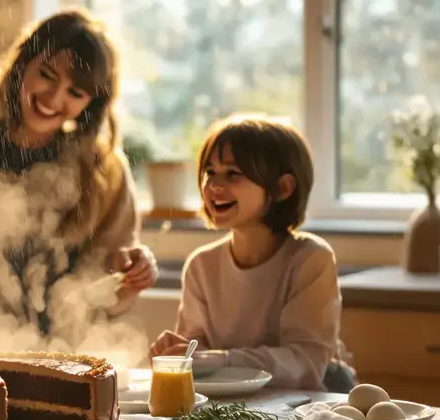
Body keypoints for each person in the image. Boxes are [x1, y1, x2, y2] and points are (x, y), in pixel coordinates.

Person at [0, 10, 158, 349]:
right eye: (47, 75)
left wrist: (131, 275)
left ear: (92, 104)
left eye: (75, 93)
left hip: (58, 353)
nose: (53, 98)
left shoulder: (102, 170)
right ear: (23, 64)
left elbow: (106, 280)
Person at [148, 114, 355, 392]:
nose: (214, 186)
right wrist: (177, 354)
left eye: (233, 174)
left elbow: (305, 362)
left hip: (307, 407)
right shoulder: (201, 266)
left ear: (282, 188)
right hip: (235, 410)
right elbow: (196, 359)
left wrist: (218, 359)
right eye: (210, 172)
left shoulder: (310, 259)